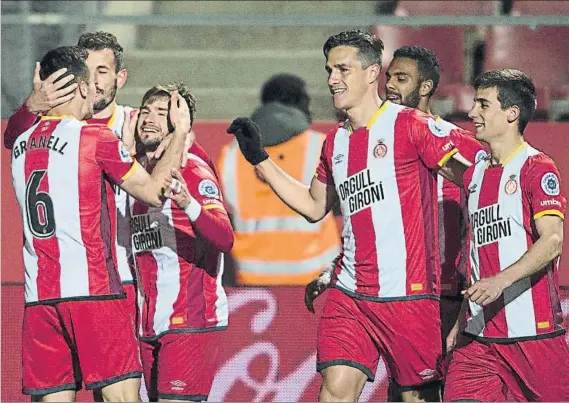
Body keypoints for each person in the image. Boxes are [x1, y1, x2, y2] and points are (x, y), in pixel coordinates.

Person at [227, 29, 470, 402]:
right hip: (351, 293)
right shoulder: (335, 141)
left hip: (408, 297)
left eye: (342, 69)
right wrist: (260, 159)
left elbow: (473, 178)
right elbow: (312, 206)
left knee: (415, 397)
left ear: (373, 73)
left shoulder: (411, 126)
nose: (331, 80)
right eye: (328, 70)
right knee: (335, 391)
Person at [11, 46, 190, 402]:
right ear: (80, 88)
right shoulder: (94, 137)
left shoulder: (20, 144)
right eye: (90, 83)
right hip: (94, 292)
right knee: (121, 397)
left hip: (40, 299)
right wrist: (180, 133)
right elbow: (155, 192)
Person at [444, 69, 569, 401]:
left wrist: (501, 280)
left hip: (533, 338)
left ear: (512, 113)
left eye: (484, 105)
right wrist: (461, 319)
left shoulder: (537, 168)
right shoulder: (475, 175)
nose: (473, 113)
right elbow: (474, 257)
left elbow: (553, 240)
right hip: (478, 340)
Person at [382, 46, 487, 400]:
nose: (390, 86)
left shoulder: (464, 147)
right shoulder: (376, 143)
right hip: (398, 291)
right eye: (388, 77)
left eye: (401, 78)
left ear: (425, 87)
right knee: (404, 392)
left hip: (449, 293)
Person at [128, 83, 233, 402]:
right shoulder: (140, 175)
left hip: (189, 316)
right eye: (145, 111)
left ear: (180, 124)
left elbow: (225, 238)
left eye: (162, 114)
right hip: (149, 321)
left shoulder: (193, 169)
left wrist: (188, 202)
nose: (149, 119)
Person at [217, 74, 340, 285]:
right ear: (297, 104)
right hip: (316, 278)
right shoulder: (321, 146)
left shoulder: (230, 154)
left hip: (253, 279)